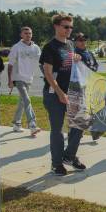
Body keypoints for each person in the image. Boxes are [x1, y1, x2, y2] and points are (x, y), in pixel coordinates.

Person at [40, 14, 84, 176]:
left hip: (72, 93)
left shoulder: (71, 45)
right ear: (56, 27)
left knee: (78, 124)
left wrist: (77, 58)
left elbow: (70, 66)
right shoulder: (50, 47)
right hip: (54, 94)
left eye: (71, 27)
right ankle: (56, 163)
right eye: (66, 26)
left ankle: (69, 156)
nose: (69, 30)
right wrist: (59, 93)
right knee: (57, 130)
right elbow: (48, 73)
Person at [8, 26, 42, 136]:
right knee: (27, 100)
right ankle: (32, 125)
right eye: (26, 33)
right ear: (21, 35)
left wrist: (47, 75)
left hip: (29, 78)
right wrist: (10, 80)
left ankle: (16, 123)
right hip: (18, 78)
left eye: (30, 33)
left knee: (23, 102)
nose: (28, 35)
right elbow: (10, 65)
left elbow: (42, 63)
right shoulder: (16, 47)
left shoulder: (36, 48)